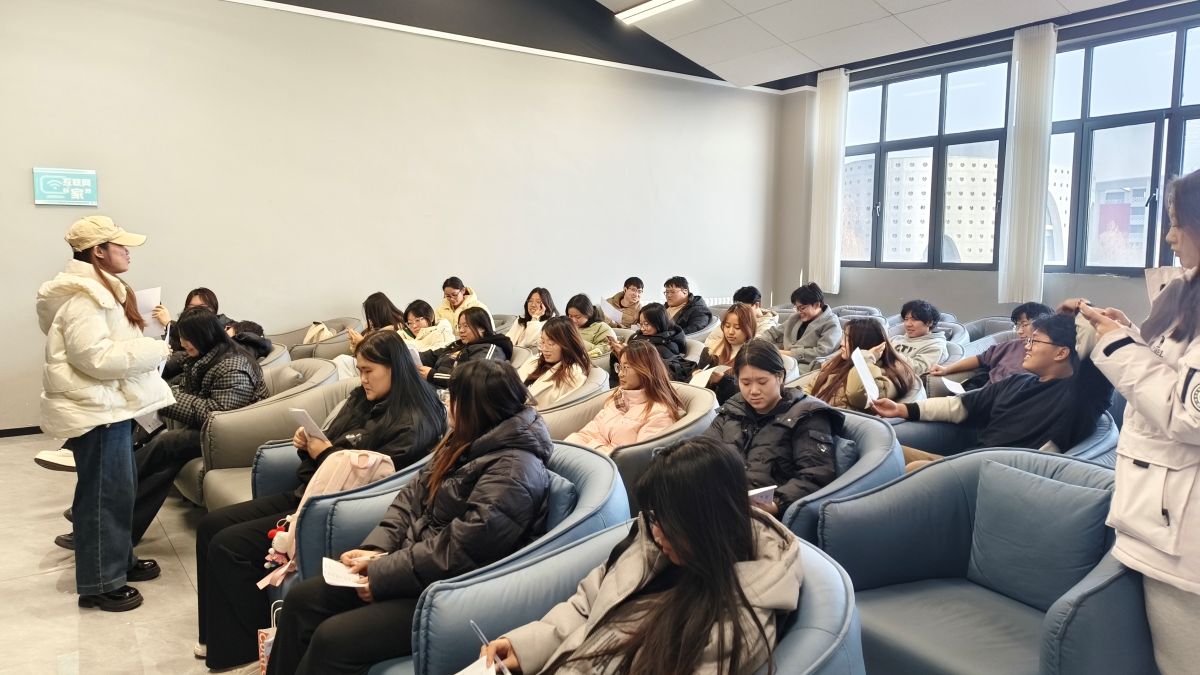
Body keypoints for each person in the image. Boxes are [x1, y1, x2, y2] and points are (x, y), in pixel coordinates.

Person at [266, 359, 552, 675]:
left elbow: (462, 550)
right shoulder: (465, 439)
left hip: (448, 592)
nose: (448, 404)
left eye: (454, 397)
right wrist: (377, 549)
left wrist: (383, 573)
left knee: (331, 638)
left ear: (478, 406)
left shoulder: (513, 470)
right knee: (302, 599)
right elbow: (410, 499)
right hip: (409, 566)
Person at [196, 330, 447, 670]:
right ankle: (215, 638)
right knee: (210, 525)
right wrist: (310, 444)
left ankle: (242, 646)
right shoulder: (362, 398)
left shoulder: (415, 420)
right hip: (313, 488)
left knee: (229, 545)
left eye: (369, 371)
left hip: (333, 504)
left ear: (395, 368)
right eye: (359, 370)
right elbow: (335, 441)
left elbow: (376, 478)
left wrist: (324, 452)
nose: (362, 379)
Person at [484, 436, 802, 675]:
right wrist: (524, 647)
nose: (657, 533)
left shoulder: (737, 622)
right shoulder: (649, 542)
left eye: (669, 524)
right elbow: (587, 606)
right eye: (653, 518)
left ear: (706, 524)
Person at [1080, 169, 1200, 675]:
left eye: (1177, 222)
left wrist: (1117, 346)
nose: (1170, 237)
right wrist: (1126, 333)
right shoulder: (1186, 292)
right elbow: (1175, 369)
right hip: (1166, 517)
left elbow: (1188, 416)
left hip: (1184, 533)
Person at [37, 215, 174, 611]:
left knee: (119, 491)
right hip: (98, 410)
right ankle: (100, 582)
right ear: (98, 251)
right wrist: (155, 348)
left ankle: (119, 561)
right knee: (103, 496)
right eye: (120, 246)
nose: (128, 252)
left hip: (109, 406)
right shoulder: (86, 298)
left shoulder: (101, 291)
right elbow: (94, 356)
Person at [55, 306, 270, 552]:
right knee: (163, 469)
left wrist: (164, 397)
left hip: (234, 437)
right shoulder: (205, 355)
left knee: (167, 443)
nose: (183, 343)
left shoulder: (234, 365)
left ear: (204, 335)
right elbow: (183, 382)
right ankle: (109, 536)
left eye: (187, 338)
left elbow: (218, 414)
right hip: (214, 432)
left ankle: (95, 507)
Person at [872, 312, 1114, 467]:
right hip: (965, 462)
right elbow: (959, 406)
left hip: (1001, 474)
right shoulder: (1016, 382)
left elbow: (1099, 365)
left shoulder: (1078, 399)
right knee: (878, 449)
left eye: (1035, 340)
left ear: (1062, 352)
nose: (1026, 346)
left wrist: (1082, 311)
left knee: (913, 468)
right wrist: (901, 409)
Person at [704, 341, 843, 516]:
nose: (753, 391)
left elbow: (815, 474)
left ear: (780, 377)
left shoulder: (807, 415)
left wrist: (778, 503)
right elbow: (703, 451)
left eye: (762, 382)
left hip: (759, 513)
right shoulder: (732, 409)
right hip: (717, 500)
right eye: (745, 383)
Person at [565, 342, 684, 455]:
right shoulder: (618, 398)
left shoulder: (659, 413)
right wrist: (564, 450)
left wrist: (582, 456)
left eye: (626, 367)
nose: (620, 374)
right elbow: (589, 432)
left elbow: (636, 458)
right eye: (620, 367)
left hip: (602, 466)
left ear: (645, 370)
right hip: (584, 459)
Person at [805, 318, 919, 414]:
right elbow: (811, 386)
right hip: (811, 414)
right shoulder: (840, 361)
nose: (841, 343)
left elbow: (857, 396)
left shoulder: (891, 375)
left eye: (847, 339)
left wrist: (864, 359)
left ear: (864, 343)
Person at [929, 302, 1052, 389]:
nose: (1019, 331)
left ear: (1043, 324)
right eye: (1017, 325)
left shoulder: (1050, 356)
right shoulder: (1009, 346)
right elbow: (979, 359)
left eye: (1024, 325)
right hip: (985, 395)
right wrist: (946, 369)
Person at [419, 307, 513, 387]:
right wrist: (412, 356)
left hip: (453, 395)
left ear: (482, 328)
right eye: (459, 326)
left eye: (466, 326)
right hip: (434, 386)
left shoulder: (489, 349)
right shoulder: (460, 344)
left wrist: (433, 375)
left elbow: (473, 379)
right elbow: (433, 355)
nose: (461, 330)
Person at [761, 283, 842, 374]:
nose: (799, 312)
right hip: (781, 358)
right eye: (797, 308)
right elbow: (773, 332)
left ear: (816, 304)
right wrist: (757, 342)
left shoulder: (831, 323)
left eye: (802, 308)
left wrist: (783, 353)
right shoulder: (795, 318)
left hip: (805, 367)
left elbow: (821, 352)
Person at [517, 317, 593, 409]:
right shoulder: (536, 360)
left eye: (550, 343)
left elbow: (560, 412)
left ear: (568, 344)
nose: (544, 349)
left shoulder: (573, 374)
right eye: (542, 341)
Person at [607, 303, 688, 384]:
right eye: (640, 324)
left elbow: (653, 370)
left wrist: (626, 354)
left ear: (659, 323)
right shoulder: (637, 336)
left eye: (646, 324)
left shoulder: (667, 345)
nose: (642, 328)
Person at [694, 303, 756, 404]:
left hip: (734, 407)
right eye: (727, 326)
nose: (730, 332)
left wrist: (723, 380)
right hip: (707, 403)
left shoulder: (754, 356)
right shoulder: (711, 351)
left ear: (749, 328)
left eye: (737, 328)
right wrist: (697, 376)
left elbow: (751, 392)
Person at [704, 286, 779, 352]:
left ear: (756, 305)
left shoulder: (767, 325)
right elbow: (711, 340)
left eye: (744, 308)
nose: (739, 311)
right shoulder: (734, 317)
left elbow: (752, 348)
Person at [889, 299, 948, 377]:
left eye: (914, 319)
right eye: (906, 319)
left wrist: (890, 354)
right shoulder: (896, 338)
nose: (908, 324)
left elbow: (917, 369)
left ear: (929, 322)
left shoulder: (935, 346)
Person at [565, 294, 616, 358]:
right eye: (570, 316)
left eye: (577, 317)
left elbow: (604, 349)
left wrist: (576, 340)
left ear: (588, 314)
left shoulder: (601, 328)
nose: (573, 320)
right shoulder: (566, 326)